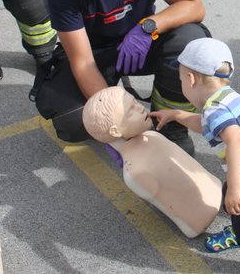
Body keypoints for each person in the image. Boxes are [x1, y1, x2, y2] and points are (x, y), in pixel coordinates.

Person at [35, 0, 209, 156]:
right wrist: (119, 130)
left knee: (190, 41)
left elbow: (194, 6)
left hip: (141, 45)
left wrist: (148, 27)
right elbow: (83, 62)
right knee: (72, 122)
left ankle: (170, 126)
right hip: (96, 54)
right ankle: (132, 120)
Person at [151, 38, 240, 274]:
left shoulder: (215, 109)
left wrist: (236, 188)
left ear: (190, 79)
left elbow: (235, 141)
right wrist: (177, 114)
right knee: (234, 201)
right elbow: (208, 126)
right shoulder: (226, 97)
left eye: (180, 80)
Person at [82, 86, 222, 238]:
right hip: (204, 213)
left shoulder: (151, 140)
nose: (141, 108)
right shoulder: (137, 170)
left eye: (136, 102)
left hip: (213, 195)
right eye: (131, 110)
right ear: (115, 131)